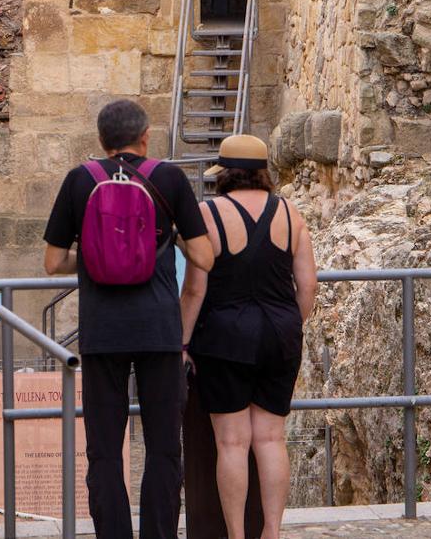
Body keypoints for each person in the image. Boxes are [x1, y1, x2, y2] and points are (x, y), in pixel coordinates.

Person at [44, 99, 214, 539]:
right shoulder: (169, 179)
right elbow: (204, 256)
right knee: (162, 447)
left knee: (104, 451)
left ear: (101, 141)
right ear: (145, 136)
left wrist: (100, 257)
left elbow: (52, 261)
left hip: (101, 332)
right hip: (159, 330)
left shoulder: (80, 180)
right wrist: (161, 242)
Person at [180, 134, 318, 539]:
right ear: (263, 174)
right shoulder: (291, 213)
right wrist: (292, 324)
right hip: (280, 332)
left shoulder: (208, 214)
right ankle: (272, 532)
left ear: (222, 173)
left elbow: (195, 289)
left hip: (224, 336)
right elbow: (307, 284)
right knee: (272, 439)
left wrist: (183, 343)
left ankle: (237, 535)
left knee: (233, 443)